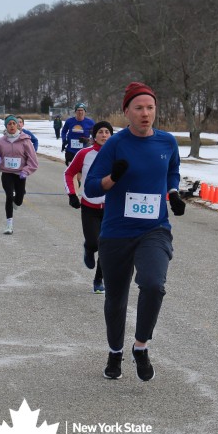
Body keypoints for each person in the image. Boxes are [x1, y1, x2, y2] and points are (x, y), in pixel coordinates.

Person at [85, 82, 185, 382]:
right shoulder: (116, 144)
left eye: (150, 108)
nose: (145, 113)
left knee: (153, 284)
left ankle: (140, 346)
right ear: (126, 112)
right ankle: (114, 352)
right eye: (139, 108)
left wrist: (173, 193)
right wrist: (112, 178)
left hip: (154, 229)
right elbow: (91, 187)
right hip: (116, 232)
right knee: (116, 299)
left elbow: (172, 171)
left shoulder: (167, 142)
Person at [64, 120, 113, 294]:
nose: (104, 135)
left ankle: (99, 279)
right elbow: (69, 173)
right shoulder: (84, 153)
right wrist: (72, 194)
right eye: (100, 132)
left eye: (107, 132)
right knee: (94, 243)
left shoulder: (118, 154)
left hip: (111, 208)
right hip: (89, 206)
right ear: (94, 135)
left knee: (107, 246)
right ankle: (88, 248)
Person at [0, 115, 38, 235]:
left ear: (18, 125)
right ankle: (9, 224)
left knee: (19, 200)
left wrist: (26, 171)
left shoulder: (25, 141)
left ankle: (17, 200)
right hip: (7, 173)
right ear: (6, 126)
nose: (12, 126)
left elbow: (33, 161)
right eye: (9, 124)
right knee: (9, 196)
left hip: (20, 174)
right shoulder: (1, 141)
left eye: (14, 123)